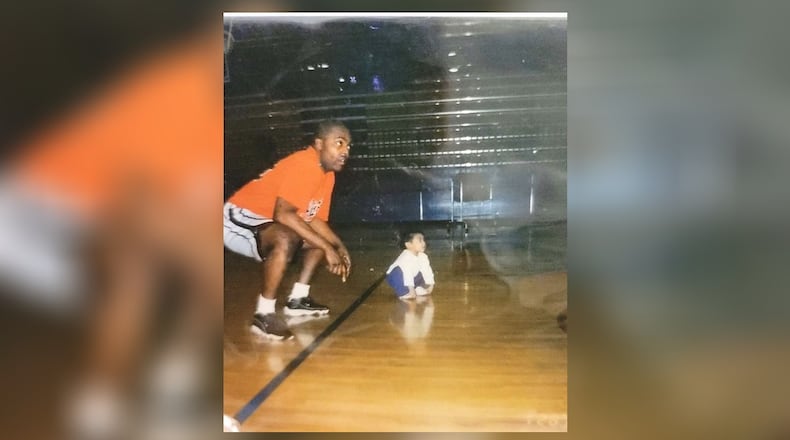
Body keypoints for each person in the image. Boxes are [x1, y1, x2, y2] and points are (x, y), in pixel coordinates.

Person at [223, 119, 353, 340]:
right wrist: (329, 249)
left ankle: (298, 300)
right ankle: (263, 314)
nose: (345, 151)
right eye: (339, 143)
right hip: (236, 218)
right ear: (319, 144)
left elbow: (313, 219)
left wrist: (338, 246)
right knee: (287, 236)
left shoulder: (327, 175)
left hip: (264, 222)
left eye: (348, 146)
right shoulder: (305, 164)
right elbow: (283, 214)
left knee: (318, 239)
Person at [385, 230, 435, 300]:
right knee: (398, 272)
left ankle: (416, 287)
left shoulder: (423, 256)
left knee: (422, 272)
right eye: (420, 241)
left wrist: (431, 285)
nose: (423, 243)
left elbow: (427, 271)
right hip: (394, 277)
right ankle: (402, 293)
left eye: (423, 240)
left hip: (411, 276)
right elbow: (407, 274)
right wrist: (411, 291)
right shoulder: (406, 257)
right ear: (408, 245)